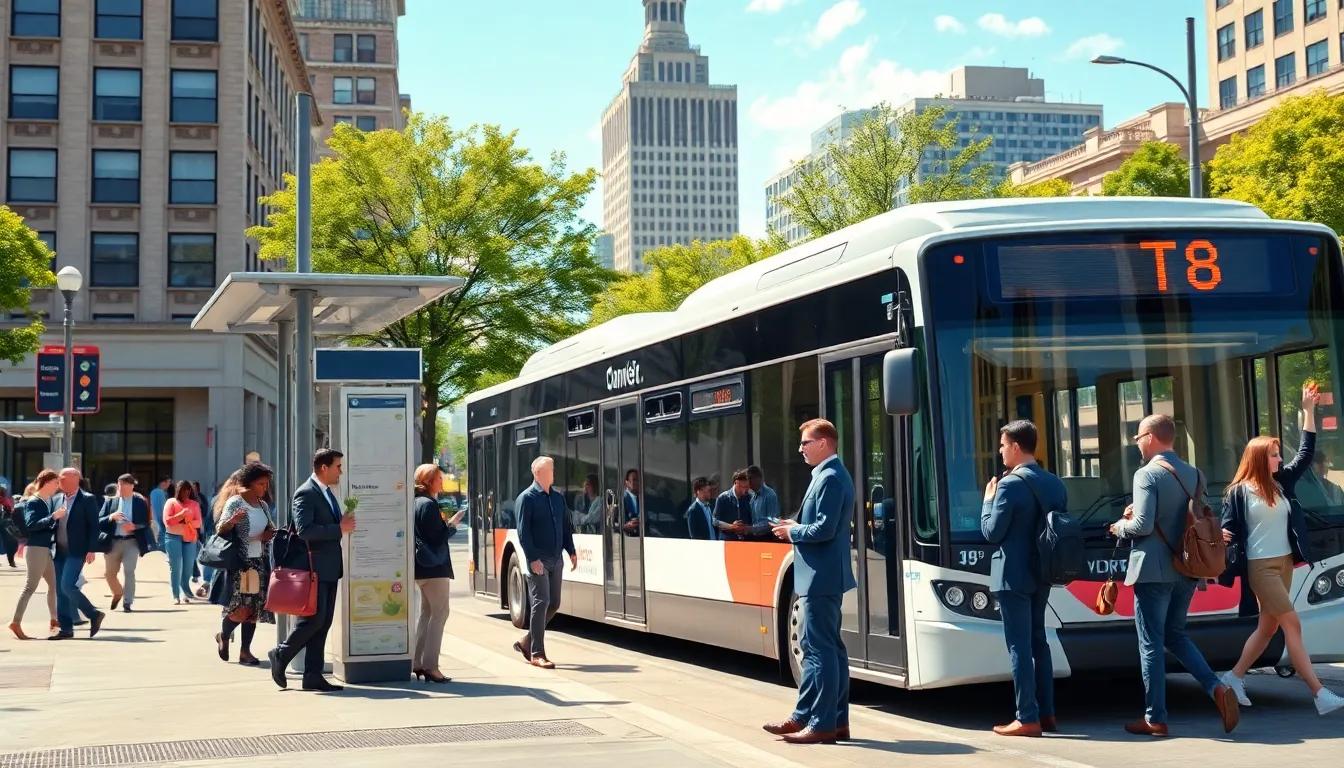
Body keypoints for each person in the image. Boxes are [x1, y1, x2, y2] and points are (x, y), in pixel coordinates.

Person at [1218, 385, 1344, 715]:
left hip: (1285, 562)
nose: (1279, 458)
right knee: (1292, 624)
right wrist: (1223, 536)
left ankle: (1233, 676)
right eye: (1274, 454)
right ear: (1261, 458)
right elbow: (1226, 528)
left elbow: (1305, 453)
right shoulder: (1238, 492)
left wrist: (1308, 411)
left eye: (1278, 454)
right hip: (1260, 567)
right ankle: (1319, 693)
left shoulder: (1281, 482)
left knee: (1268, 627)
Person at [1110, 414, 1238, 736]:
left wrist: (1119, 526)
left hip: (1152, 571)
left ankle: (1156, 717)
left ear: (1151, 437)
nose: (1137, 444)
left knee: (1151, 642)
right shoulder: (1195, 474)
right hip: (1187, 569)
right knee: (1176, 635)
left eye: (1138, 438)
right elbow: (1194, 517)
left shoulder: (1146, 474)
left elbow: (1141, 525)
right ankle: (1216, 688)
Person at [766, 418, 856, 745]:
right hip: (822, 576)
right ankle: (821, 718)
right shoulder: (829, 474)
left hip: (820, 577)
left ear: (823, 443)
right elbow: (819, 523)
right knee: (828, 649)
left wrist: (793, 531)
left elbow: (824, 529)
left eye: (805, 443)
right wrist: (795, 523)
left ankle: (821, 724)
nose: (800, 449)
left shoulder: (830, 478)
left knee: (819, 651)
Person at [980, 420, 1065, 737]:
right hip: (1042, 573)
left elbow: (992, 532)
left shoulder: (1009, 485)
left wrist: (988, 501)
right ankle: (1047, 713)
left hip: (1012, 575)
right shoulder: (1055, 483)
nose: (1000, 451)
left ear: (1016, 447)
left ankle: (1026, 716)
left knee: (1019, 646)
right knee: (1039, 642)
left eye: (1003, 445)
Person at [271, 449, 353, 692]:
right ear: (324, 468)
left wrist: (341, 523)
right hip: (312, 568)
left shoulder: (326, 493)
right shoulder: (306, 493)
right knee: (313, 620)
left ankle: (313, 675)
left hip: (328, 567)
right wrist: (339, 528)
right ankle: (282, 654)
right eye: (338, 466)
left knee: (323, 622)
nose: (341, 471)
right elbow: (305, 530)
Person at [511, 456, 577, 669]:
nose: (552, 473)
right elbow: (523, 532)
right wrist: (532, 559)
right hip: (539, 560)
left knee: (554, 603)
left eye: (552, 469)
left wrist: (572, 551)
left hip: (556, 559)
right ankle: (537, 653)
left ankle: (527, 640)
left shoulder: (557, 498)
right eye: (549, 470)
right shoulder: (527, 498)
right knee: (541, 602)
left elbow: (565, 526)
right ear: (537, 473)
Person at [209, 465, 275, 667]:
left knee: (253, 610)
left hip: (259, 562)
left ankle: (245, 651)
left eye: (266, 484)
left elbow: (270, 527)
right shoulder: (236, 502)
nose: (264, 487)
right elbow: (221, 529)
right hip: (241, 563)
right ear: (249, 483)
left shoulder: (262, 505)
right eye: (260, 483)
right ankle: (224, 634)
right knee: (239, 609)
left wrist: (269, 534)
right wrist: (232, 521)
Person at [412, 464, 463, 684]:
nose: (442, 483)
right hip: (434, 568)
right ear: (429, 481)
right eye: (439, 479)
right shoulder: (428, 505)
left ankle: (416, 662)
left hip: (421, 567)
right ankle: (431, 666)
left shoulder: (415, 502)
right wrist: (452, 524)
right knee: (440, 613)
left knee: (426, 613)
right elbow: (437, 537)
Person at [52, 468, 105, 640]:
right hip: (58, 550)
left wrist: (91, 549)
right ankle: (66, 629)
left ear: (74, 479)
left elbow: (94, 526)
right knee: (61, 591)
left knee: (67, 585)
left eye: (62, 479)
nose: (59, 482)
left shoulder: (87, 499)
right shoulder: (57, 499)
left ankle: (93, 613)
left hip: (77, 550)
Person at [9, 474, 60, 640]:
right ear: (45, 483)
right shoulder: (34, 502)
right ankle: (16, 622)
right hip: (36, 548)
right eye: (55, 483)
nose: (57, 486)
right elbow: (32, 525)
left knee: (54, 585)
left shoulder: (46, 501)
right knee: (30, 587)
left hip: (44, 548)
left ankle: (54, 619)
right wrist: (53, 517)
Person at [98, 473, 152, 613]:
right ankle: (117, 592)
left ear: (131, 486)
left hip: (132, 542)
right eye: (119, 485)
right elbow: (99, 521)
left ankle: (127, 602)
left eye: (123, 486)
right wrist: (111, 517)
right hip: (113, 541)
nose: (120, 488)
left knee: (129, 571)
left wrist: (134, 527)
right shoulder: (110, 502)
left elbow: (146, 523)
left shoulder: (140, 502)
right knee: (109, 573)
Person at [161, 480, 203, 605]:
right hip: (173, 537)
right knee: (176, 566)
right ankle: (176, 594)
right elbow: (167, 521)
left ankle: (186, 588)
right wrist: (180, 515)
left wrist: (186, 522)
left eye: (188, 489)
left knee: (188, 567)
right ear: (178, 490)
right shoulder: (171, 502)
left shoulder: (194, 504)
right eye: (184, 489)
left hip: (189, 538)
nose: (187, 492)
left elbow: (198, 522)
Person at [714, 469, 753, 540]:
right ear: (737, 484)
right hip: (727, 541)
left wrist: (746, 528)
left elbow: (752, 519)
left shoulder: (749, 497)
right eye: (745, 487)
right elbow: (715, 521)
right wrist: (731, 526)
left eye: (748, 486)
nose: (748, 489)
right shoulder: (723, 498)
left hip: (745, 541)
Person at [149, 476, 171, 552]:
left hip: (154, 521)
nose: (169, 484)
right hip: (161, 522)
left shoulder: (153, 492)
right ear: (163, 482)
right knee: (162, 547)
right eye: (168, 482)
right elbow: (164, 508)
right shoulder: (161, 493)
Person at [0, 486, 17, 569]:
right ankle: (11, 560)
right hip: (6, 523)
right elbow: (12, 511)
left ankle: (11, 560)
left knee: (10, 542)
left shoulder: (6, 501)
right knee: (10, 542)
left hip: (5, 523)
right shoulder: (7, 501)